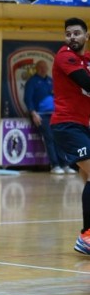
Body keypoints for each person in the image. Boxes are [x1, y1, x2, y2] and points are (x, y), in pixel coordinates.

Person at [51, 17, 90, 255]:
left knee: (88, 178)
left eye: (77, 33)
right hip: (67, 125)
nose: (72, 37)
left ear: (86, 36)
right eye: (68, 33)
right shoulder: (64, 56)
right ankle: (86, 235)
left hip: (82, 126)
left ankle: (86, 236)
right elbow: (85, 82)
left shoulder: (86, 60)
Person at [25, 60, 71, 174]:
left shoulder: (51, 81)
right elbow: (27, 99)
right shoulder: (32, 81)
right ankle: (55, 165)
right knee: (50, 138)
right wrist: (33, 113)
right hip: (41, 115)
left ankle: (64, 164)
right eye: (41, 67)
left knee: (59, 138)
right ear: (37, 68)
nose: (43, 69)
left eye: (45, 67)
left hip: (55, 114)